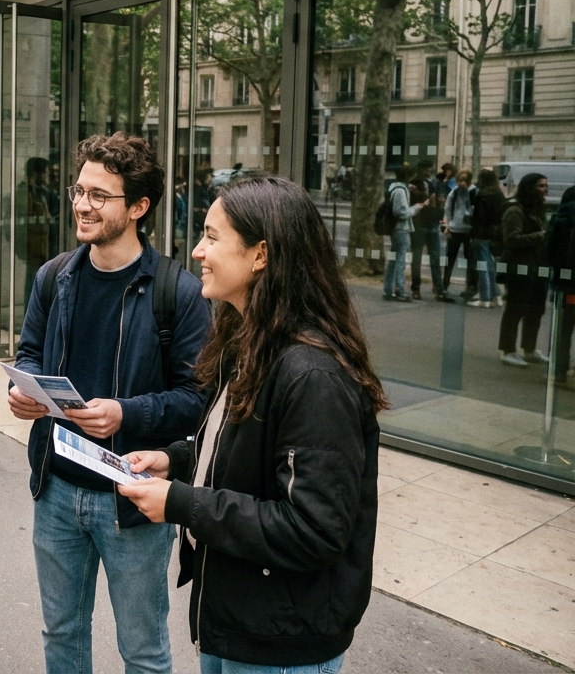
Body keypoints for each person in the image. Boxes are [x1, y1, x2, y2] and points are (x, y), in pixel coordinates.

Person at [118, 175, 388, 674]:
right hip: (236, 620)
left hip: (281, 642)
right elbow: (240, 453)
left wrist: (181, 502)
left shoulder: (313, 375)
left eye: (213, 237)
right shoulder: (248, 341)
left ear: (261, 255)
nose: (198, 250)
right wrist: (175, 461)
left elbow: (313, 528)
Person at [8, 132, 211, 674]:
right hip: (55, 490)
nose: (81, 204)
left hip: (133, 499)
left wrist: (126, 413)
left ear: (139, 207)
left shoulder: (178, 292)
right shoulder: (56, 277)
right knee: (62, 634)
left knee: (143, 651)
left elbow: (198, 400)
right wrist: (23, 389)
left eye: (99, 195)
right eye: (78, 190)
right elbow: (29, 352)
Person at [499, 173, 550, 367]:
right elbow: (511, 240)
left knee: (536, 309)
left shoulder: (536, 209)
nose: (545, 189)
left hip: (537, 266)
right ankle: (508, 350)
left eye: (546, 185)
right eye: (540, 186)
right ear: (529, 188)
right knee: (516, 307)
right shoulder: (515, 210)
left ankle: (529, 348)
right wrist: (540, 236)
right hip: (519, 266)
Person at [409, 159, 452, 302]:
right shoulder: (413, 184)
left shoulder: (430, 183)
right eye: (427, 169)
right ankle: (418, 288)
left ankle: (435, 289)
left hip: (428, 224)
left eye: (429, 169)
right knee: (420, 258)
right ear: (421, 170)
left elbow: (435, 201)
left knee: (431, 258)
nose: (429, 172)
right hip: (420, 224)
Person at [18, 155, 59, 301]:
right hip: (35, 248)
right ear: (37, 174)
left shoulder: (45, 192)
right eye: (46, 173)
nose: (48, 177)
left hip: (44, 246)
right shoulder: (24, 193)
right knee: (34, 285)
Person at [383, 163, 424, 302]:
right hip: (401, 228)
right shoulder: (400, 191)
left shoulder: (395, 187)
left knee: (394, 260)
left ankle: (388, 289)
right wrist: (415, 209)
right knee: (400, 260)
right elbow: (400, 212)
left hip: (396, 228)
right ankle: (400, 290)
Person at [547, 186, 575, 386]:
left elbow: (550, 249)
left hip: (566, 282)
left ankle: (559, 373)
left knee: (564, 328)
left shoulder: (561, 216)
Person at [469, 168, 506, 308]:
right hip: (495, 233)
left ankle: (485, 298)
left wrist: (474, 233)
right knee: (491, 267)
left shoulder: (482, 196)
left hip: (481, 234)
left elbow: (479, 218)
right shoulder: (499, 195)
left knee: (483, 266)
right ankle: (496, 296)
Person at [442, 169, 477, 299]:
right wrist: (448, 225)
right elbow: (448, 207)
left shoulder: (472, 191)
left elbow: (475, 208)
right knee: (455, 258)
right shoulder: (456, 191)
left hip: (465, 229)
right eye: (460, 181)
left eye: (464, 181)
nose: (462, 184)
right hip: (459, 228)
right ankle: (446, 284)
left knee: (467, 260)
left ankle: (469, 286)